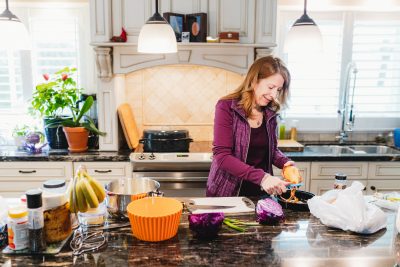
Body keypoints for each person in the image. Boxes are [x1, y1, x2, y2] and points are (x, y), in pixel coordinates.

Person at [206, 56, 298, 197]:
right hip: (227, 193)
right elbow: (222, 156)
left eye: (278, 90)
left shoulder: (270, 113)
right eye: (271, 87)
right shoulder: (227, 107)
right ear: (254, 81)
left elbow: (271, 151)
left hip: (260, 193)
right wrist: (263, 178)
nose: (274, 95)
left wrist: (285, 163)